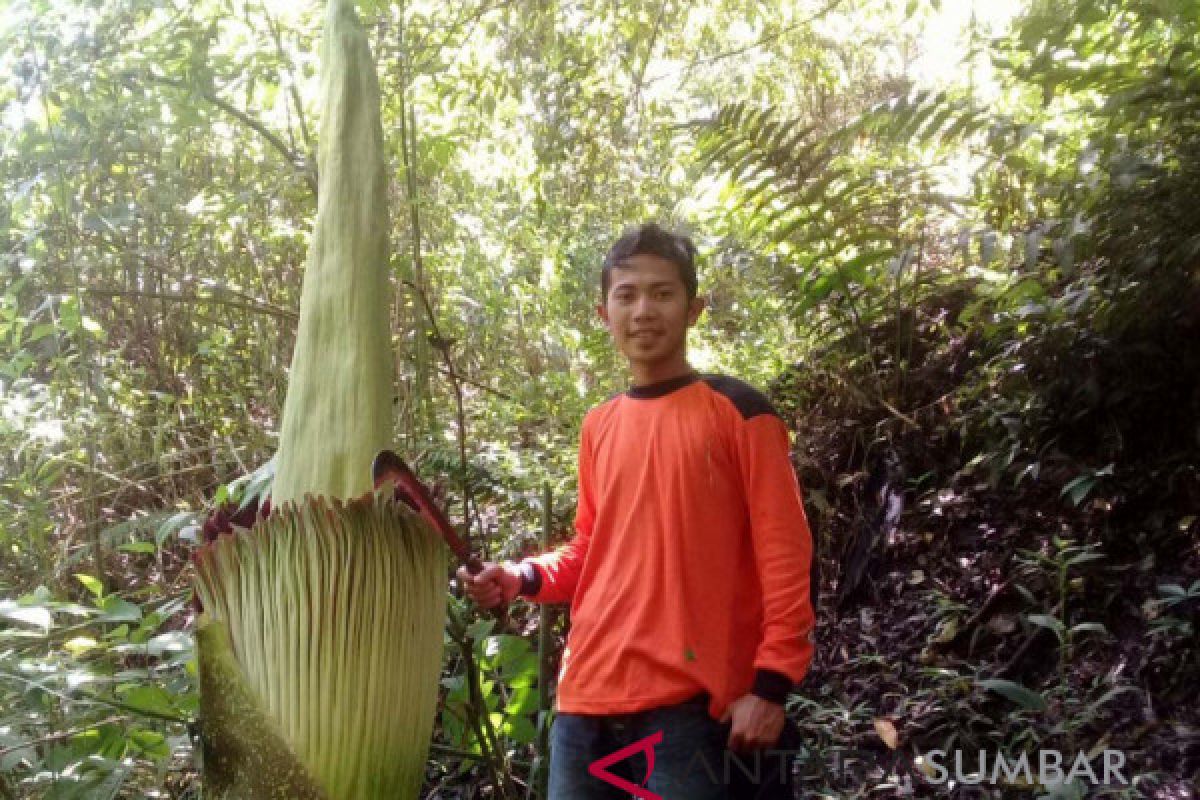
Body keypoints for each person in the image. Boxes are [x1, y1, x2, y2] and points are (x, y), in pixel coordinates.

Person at [458, 223, 815, 799]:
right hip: (585, 701)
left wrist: (772, 686)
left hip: (690, 707)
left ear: (694, 308)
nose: (643, 309)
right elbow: (588, 550)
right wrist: (521, 577)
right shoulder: (600, 425)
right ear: (604, 312)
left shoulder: (740, 412)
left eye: (662, 293)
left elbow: (786, 554)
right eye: (627, 295)